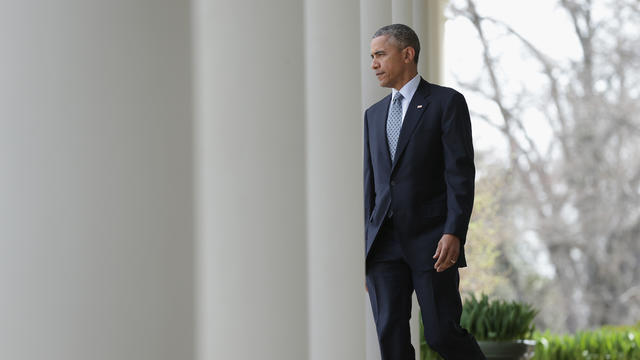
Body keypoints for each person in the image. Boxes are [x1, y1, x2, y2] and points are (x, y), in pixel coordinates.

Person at [363, 24, 486, 360]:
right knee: (391, 340)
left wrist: (454, 231)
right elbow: (371, 185)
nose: (373, 63)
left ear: (407, 54)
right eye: (371, 56)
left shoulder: (446, 102)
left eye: (380, 54)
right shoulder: (373, 116)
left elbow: (459, 173)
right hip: (384, 247)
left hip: (433, 241)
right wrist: (365, 251)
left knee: (442, 334)